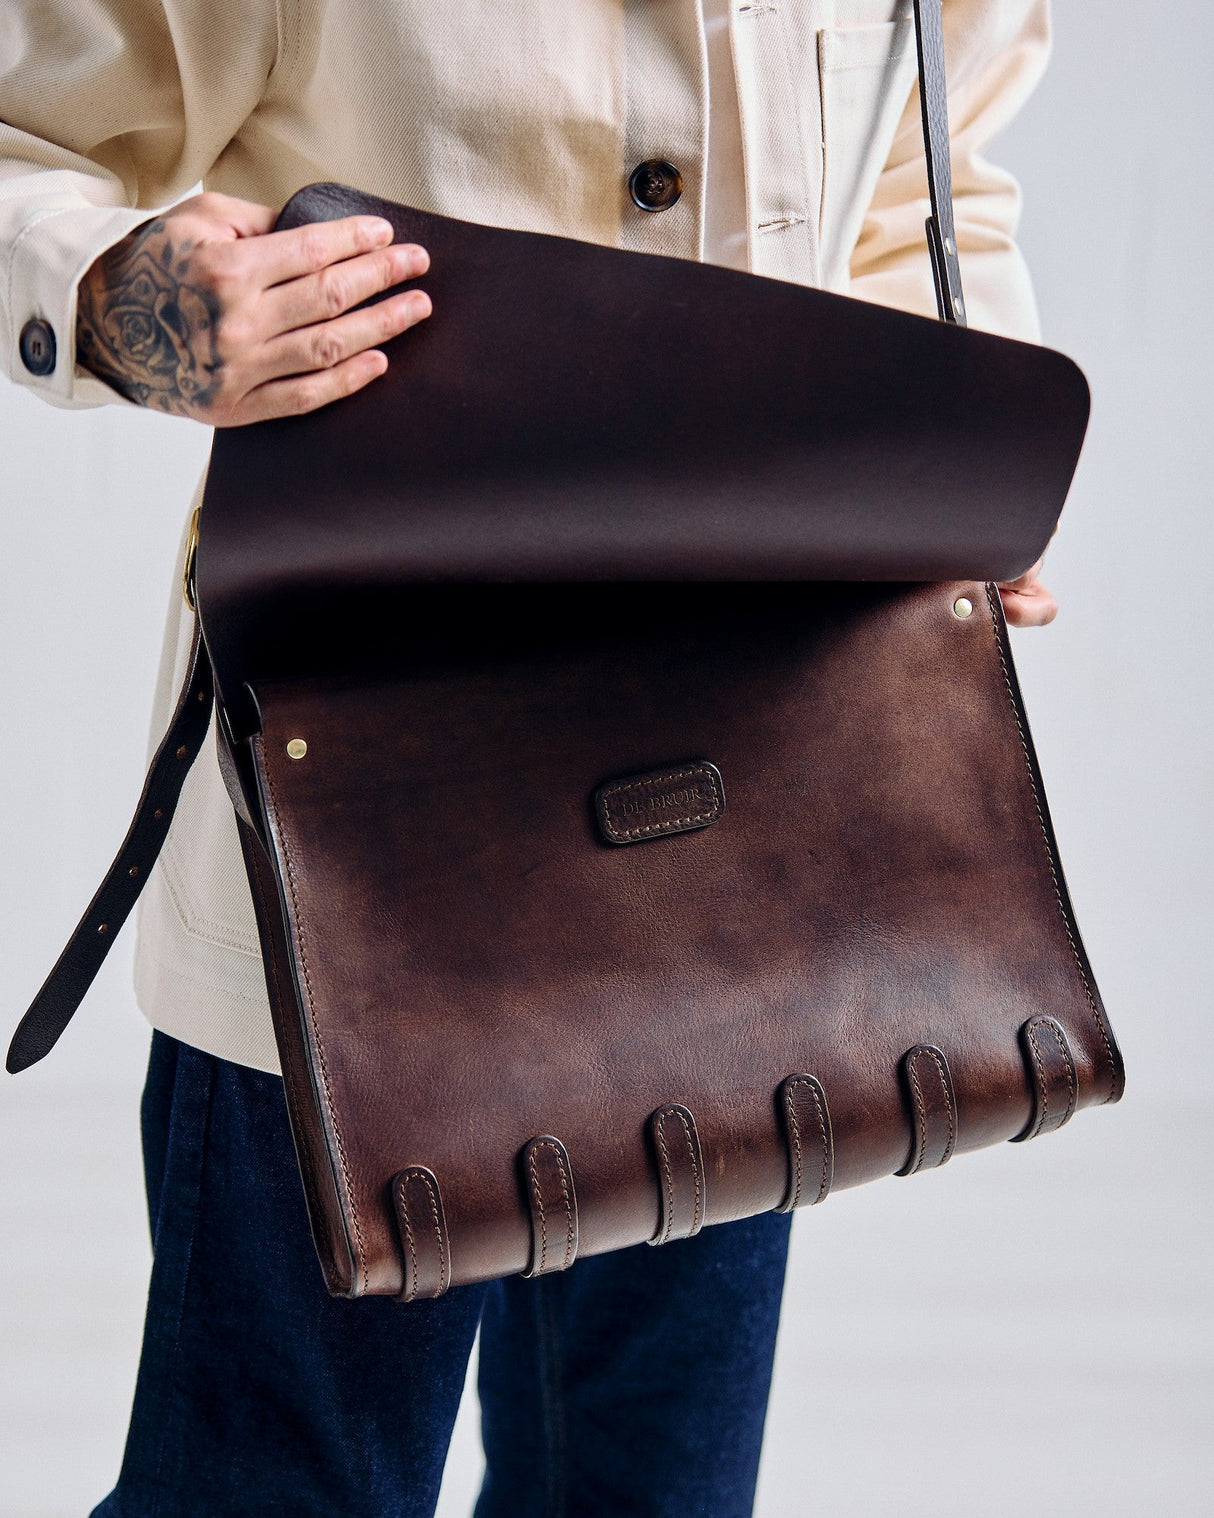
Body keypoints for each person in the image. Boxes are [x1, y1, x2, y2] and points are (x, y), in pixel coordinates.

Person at [0, 1, 1060, 1512]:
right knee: (272, 1487)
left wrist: (954, 451)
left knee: (650, 1491)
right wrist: (132, 303)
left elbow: (923, 166)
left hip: (745, 832)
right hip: (357, 857)